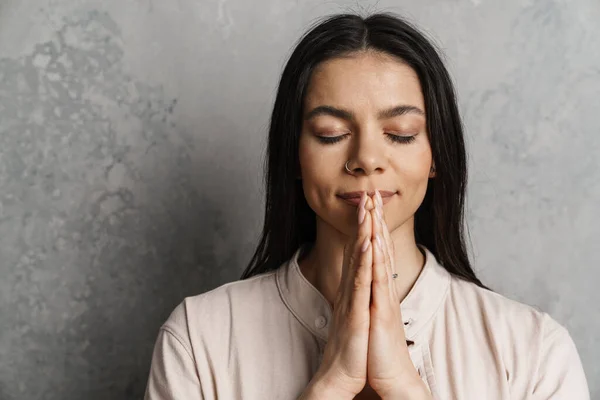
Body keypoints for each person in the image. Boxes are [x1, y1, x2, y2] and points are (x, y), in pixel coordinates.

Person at [143, 11, 590, 400]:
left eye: (400, 134)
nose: (366, 160)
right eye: (331, 135)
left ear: (436, 155)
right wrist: (331, 383)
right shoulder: (198, 338)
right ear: (295, 156)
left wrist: (403, 384)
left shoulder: (533, 351)